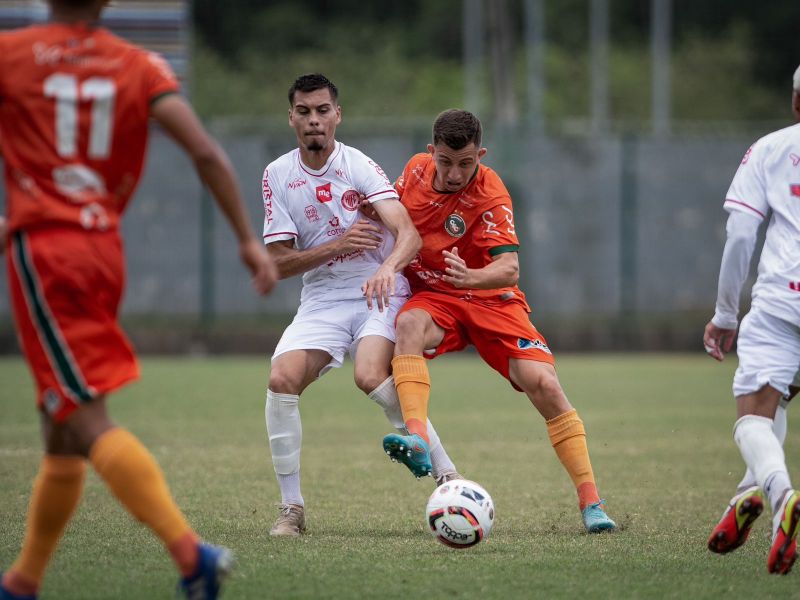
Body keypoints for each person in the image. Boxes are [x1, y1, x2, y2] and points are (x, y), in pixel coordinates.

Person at [0, 1, 278, 598]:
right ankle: (23, 582)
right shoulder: (140, 65)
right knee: (61, 425)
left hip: (48, 252)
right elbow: (205, 152)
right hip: (103, 250)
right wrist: (248, 242)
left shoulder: (11, 55)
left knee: (84, 415)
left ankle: (190, 555)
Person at [380, 109, 616, 533]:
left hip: (492, 300)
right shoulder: (413, 172)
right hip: (438, 298)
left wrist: (470, 276)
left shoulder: (491, 193)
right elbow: (389, 218)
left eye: (466, 163)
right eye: (447, 162)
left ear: (481, 155)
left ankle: (591, 503)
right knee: (408, 326)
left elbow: (509, 269)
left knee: (545, 385)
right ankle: (417, 438)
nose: (455, 174)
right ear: (431, 152)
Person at [261, 74, 460, 537]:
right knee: (280, 379)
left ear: (337, 115)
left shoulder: (358, 165)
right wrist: (337, 245)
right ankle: (291, 508)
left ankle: (447, 475)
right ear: (291, 117)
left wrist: (389, 266)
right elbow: (277, 264)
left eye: (323, 110)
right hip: (323, 299)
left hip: (378, 292)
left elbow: (407, 233)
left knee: (370, 374)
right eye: (304, 111)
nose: (314, 120)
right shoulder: (277, 174)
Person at [704, 64, 800, 574]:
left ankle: (782, 496)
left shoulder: (770, 149)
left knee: (753, 416)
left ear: (796, 101)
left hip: (785, 302)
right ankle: (746, 494)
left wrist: (725, 313)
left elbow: (742, 235)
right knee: (779, 394)